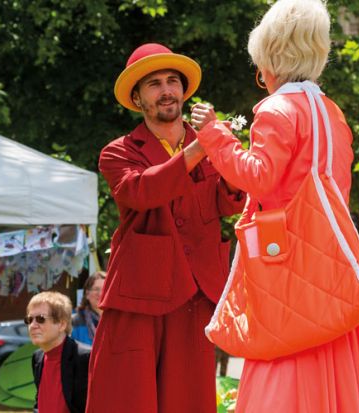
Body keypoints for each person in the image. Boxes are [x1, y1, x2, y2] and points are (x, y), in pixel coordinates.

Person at [191, 0, 359, 411]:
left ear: (268, 62)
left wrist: (213, 134)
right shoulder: (332, 114)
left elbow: (258, 177)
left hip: (284, 262)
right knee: (349, 373)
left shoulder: (277, 110)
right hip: (332, 261)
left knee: (284, 365)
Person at [86, 43, 245, 413]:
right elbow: (141, 192)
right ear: (138, 98)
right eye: (154, 84)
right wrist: (201, 148)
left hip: (196, 292)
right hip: (140, 293)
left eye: (172, 81)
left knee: (189, 400)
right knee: (127, 398)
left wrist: (226, 149)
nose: (167, 90)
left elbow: (230, 200)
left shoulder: (208, 141)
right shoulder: (118, 151)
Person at [27, 291, 90, 413]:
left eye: (40, 319)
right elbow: (40, 402)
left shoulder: (85, 358)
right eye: (29, 319)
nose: (33, 325)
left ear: (61, 325)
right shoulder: (38, 357)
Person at [71, 271, 106, 345]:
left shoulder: (117, 320)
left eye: (104, 289)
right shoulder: (74, 320)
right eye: (96, 289)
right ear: (87, 294)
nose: (100, 293)